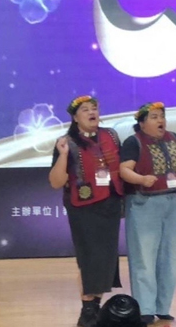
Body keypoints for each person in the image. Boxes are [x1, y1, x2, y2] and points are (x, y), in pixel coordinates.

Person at [49, 96, 124, 327]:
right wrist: (63, 155)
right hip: (83, 208)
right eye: (85, 110)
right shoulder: (66, 142)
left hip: (110, 204)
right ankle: (87, 308)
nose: (92, 113)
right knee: (89, 258)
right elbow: (55, 182)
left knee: (106, 258)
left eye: (94, 109)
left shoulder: (111, 135)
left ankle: (96, 306)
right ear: (75, 117)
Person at [119, 102, 176, 325]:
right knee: (144, 257)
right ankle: (145, 308)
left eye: (162, 116)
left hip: (172, 202)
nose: (161, 120)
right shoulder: (134, 142)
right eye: (154, 117)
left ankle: (163, 306)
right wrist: (141, 179)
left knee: (171, 257)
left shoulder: (174, 138)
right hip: (144, 203)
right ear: (142, 123)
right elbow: (124, 169)